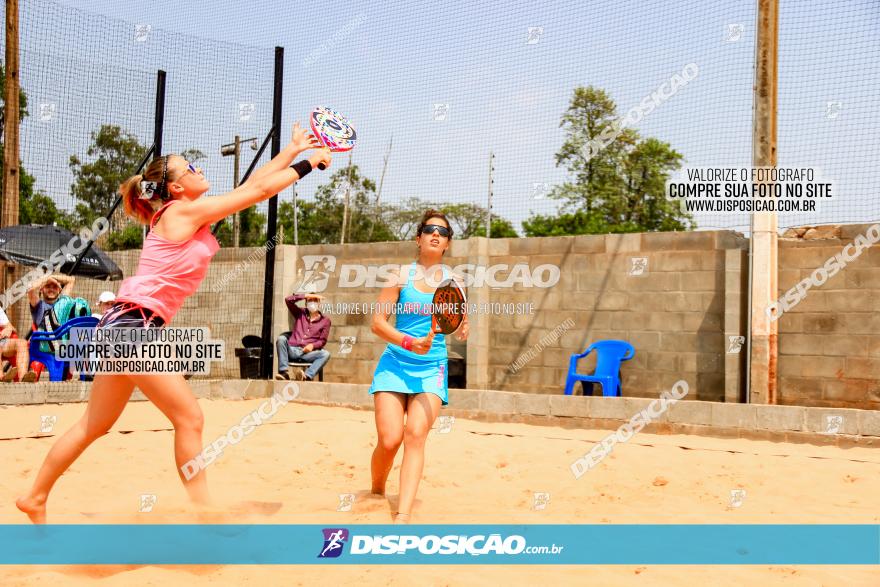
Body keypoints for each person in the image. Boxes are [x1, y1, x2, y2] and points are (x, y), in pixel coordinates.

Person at [16, 122, 331, 523]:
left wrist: (290, 151)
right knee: (190, 417)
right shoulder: (181, 211)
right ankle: (203, 512)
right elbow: (258, 192)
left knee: (94, 424)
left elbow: (250, 189)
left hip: (119, 325)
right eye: (190, 168)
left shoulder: (182, 212)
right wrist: (306, 163)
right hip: (132, 327)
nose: (199, 169)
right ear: (178, 188)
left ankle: (35, 496)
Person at [368, 209, 468, 524]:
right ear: (418, 237)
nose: (435, 234)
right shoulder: (398, 275)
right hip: (396, 361)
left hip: (432, 366)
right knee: (389, 439)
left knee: (415, 435)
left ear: (448, 243)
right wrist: (408, 342)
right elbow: (377, 323)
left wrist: (464, 329)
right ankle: (377, 488)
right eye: (429, 229)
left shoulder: (457, 281)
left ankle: (403, 515)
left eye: (442, 231)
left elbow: (461, 322)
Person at [275, 291, 331, 381]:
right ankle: (284, 373)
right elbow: (288, 300)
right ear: (306, 303)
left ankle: (306, 376)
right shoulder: (300, 313)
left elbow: (322, 341)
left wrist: (312, 346)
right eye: (310, 300)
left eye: (315, 300)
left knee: (325, 354)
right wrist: (306, 295)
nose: (312, 303)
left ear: (319, 303)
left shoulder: (325, 321)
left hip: (307, 353)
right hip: (292, 350)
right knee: (281, 339)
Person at [0, 306, 38, 382]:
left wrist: (8, 329)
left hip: (2, 342)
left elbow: (11, 327)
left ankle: (23, 379)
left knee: (22, 343)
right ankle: (1, 378)